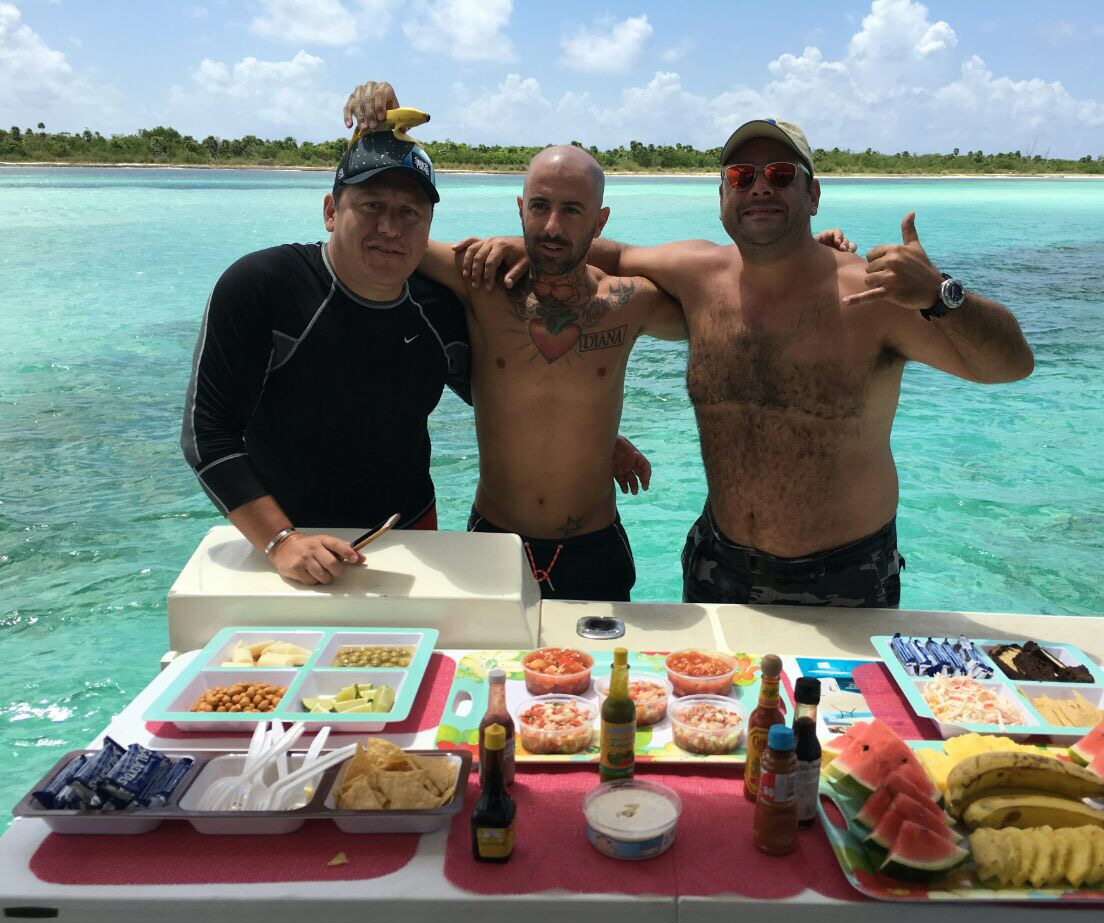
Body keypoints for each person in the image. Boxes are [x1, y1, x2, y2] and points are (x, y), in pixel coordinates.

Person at [460, 118, 1035, 608]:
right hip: (718, 565)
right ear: (723, 198)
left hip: (844, 575)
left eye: (781, 175)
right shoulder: (697, 275)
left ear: (812, 195)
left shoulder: (875, 295)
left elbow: (1010, 365)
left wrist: (941, 294)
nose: (760, 187)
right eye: (741, 176)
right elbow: (605, 251)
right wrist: (522, 245)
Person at [344, 83, 687, 602]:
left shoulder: (631, 302)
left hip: (594, 547)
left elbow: (727, 306)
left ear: (600, 221)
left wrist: (811, 253)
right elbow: (383, 233)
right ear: (520, 208)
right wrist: (372, 139)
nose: (552, 226)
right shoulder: (479, 281)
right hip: (494, 543)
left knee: (605, 683)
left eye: (573, 211)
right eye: (541, 207)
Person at [180, 125, 470, 585]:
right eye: (371, 206)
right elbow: (207, 433)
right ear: (331, 211)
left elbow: (502, 398)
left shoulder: (441, 309)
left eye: (409, 213)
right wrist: (281, 541)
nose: (390, 228)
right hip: (286, 541)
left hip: (409, 536)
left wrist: (594, 438)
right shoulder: (264, 286)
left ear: (429, 228)